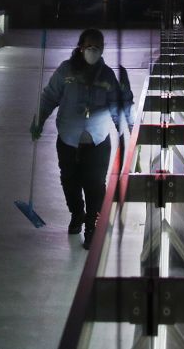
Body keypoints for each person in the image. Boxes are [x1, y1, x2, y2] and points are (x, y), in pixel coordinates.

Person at [30, 29, 134, 248]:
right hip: (68, 139)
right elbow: (50, 96)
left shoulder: (106, 76)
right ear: (81, 46)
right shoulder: (66, 71)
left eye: (97, 47)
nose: (93, 51)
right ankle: (77, 213)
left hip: (97, 141)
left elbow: (116, 107)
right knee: (70, 181)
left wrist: (126, 131)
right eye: (89, 46)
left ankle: (92, 225)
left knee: (96, 185)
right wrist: (38, 120)